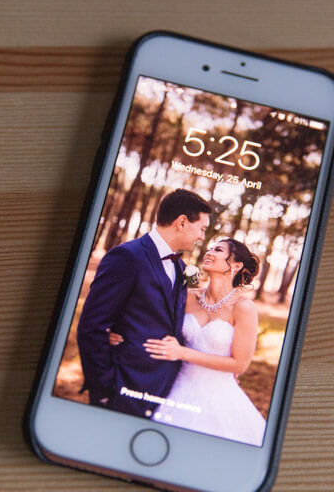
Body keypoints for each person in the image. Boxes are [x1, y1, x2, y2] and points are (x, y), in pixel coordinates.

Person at [111, 238, 267, 446]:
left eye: (218, 250)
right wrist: (116, 330)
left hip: (218, 396)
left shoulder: (243, 307)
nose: (209, 252)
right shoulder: (188, 296)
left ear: (237, 265)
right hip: (173, 385)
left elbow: (240, 364)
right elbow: (151, 318)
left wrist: (183, 353)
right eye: (210, 248)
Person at [76, 189, 212, 417]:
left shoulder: (182, 268)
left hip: (163, 391)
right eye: (202, 229)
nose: (201, 236)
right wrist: (105, 386)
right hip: (122, 386)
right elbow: (91, 327)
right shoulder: (127, 257)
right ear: (182, 222)